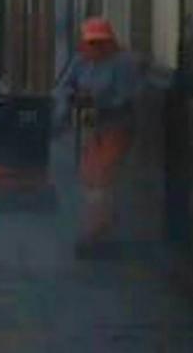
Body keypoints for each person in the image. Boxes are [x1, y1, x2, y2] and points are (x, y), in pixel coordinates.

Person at [56, 17, 145, 257]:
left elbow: (127, 94)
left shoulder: (123, 63)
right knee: (89, 174)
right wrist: (67, 106)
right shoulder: (81, 62)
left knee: (102, 173)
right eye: (91, 43)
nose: (95, 48)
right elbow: (64, 87)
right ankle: (102, 220)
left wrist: (98, 100)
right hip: (91, 125)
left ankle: (97, 229)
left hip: (116, 124)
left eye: (100, 42)